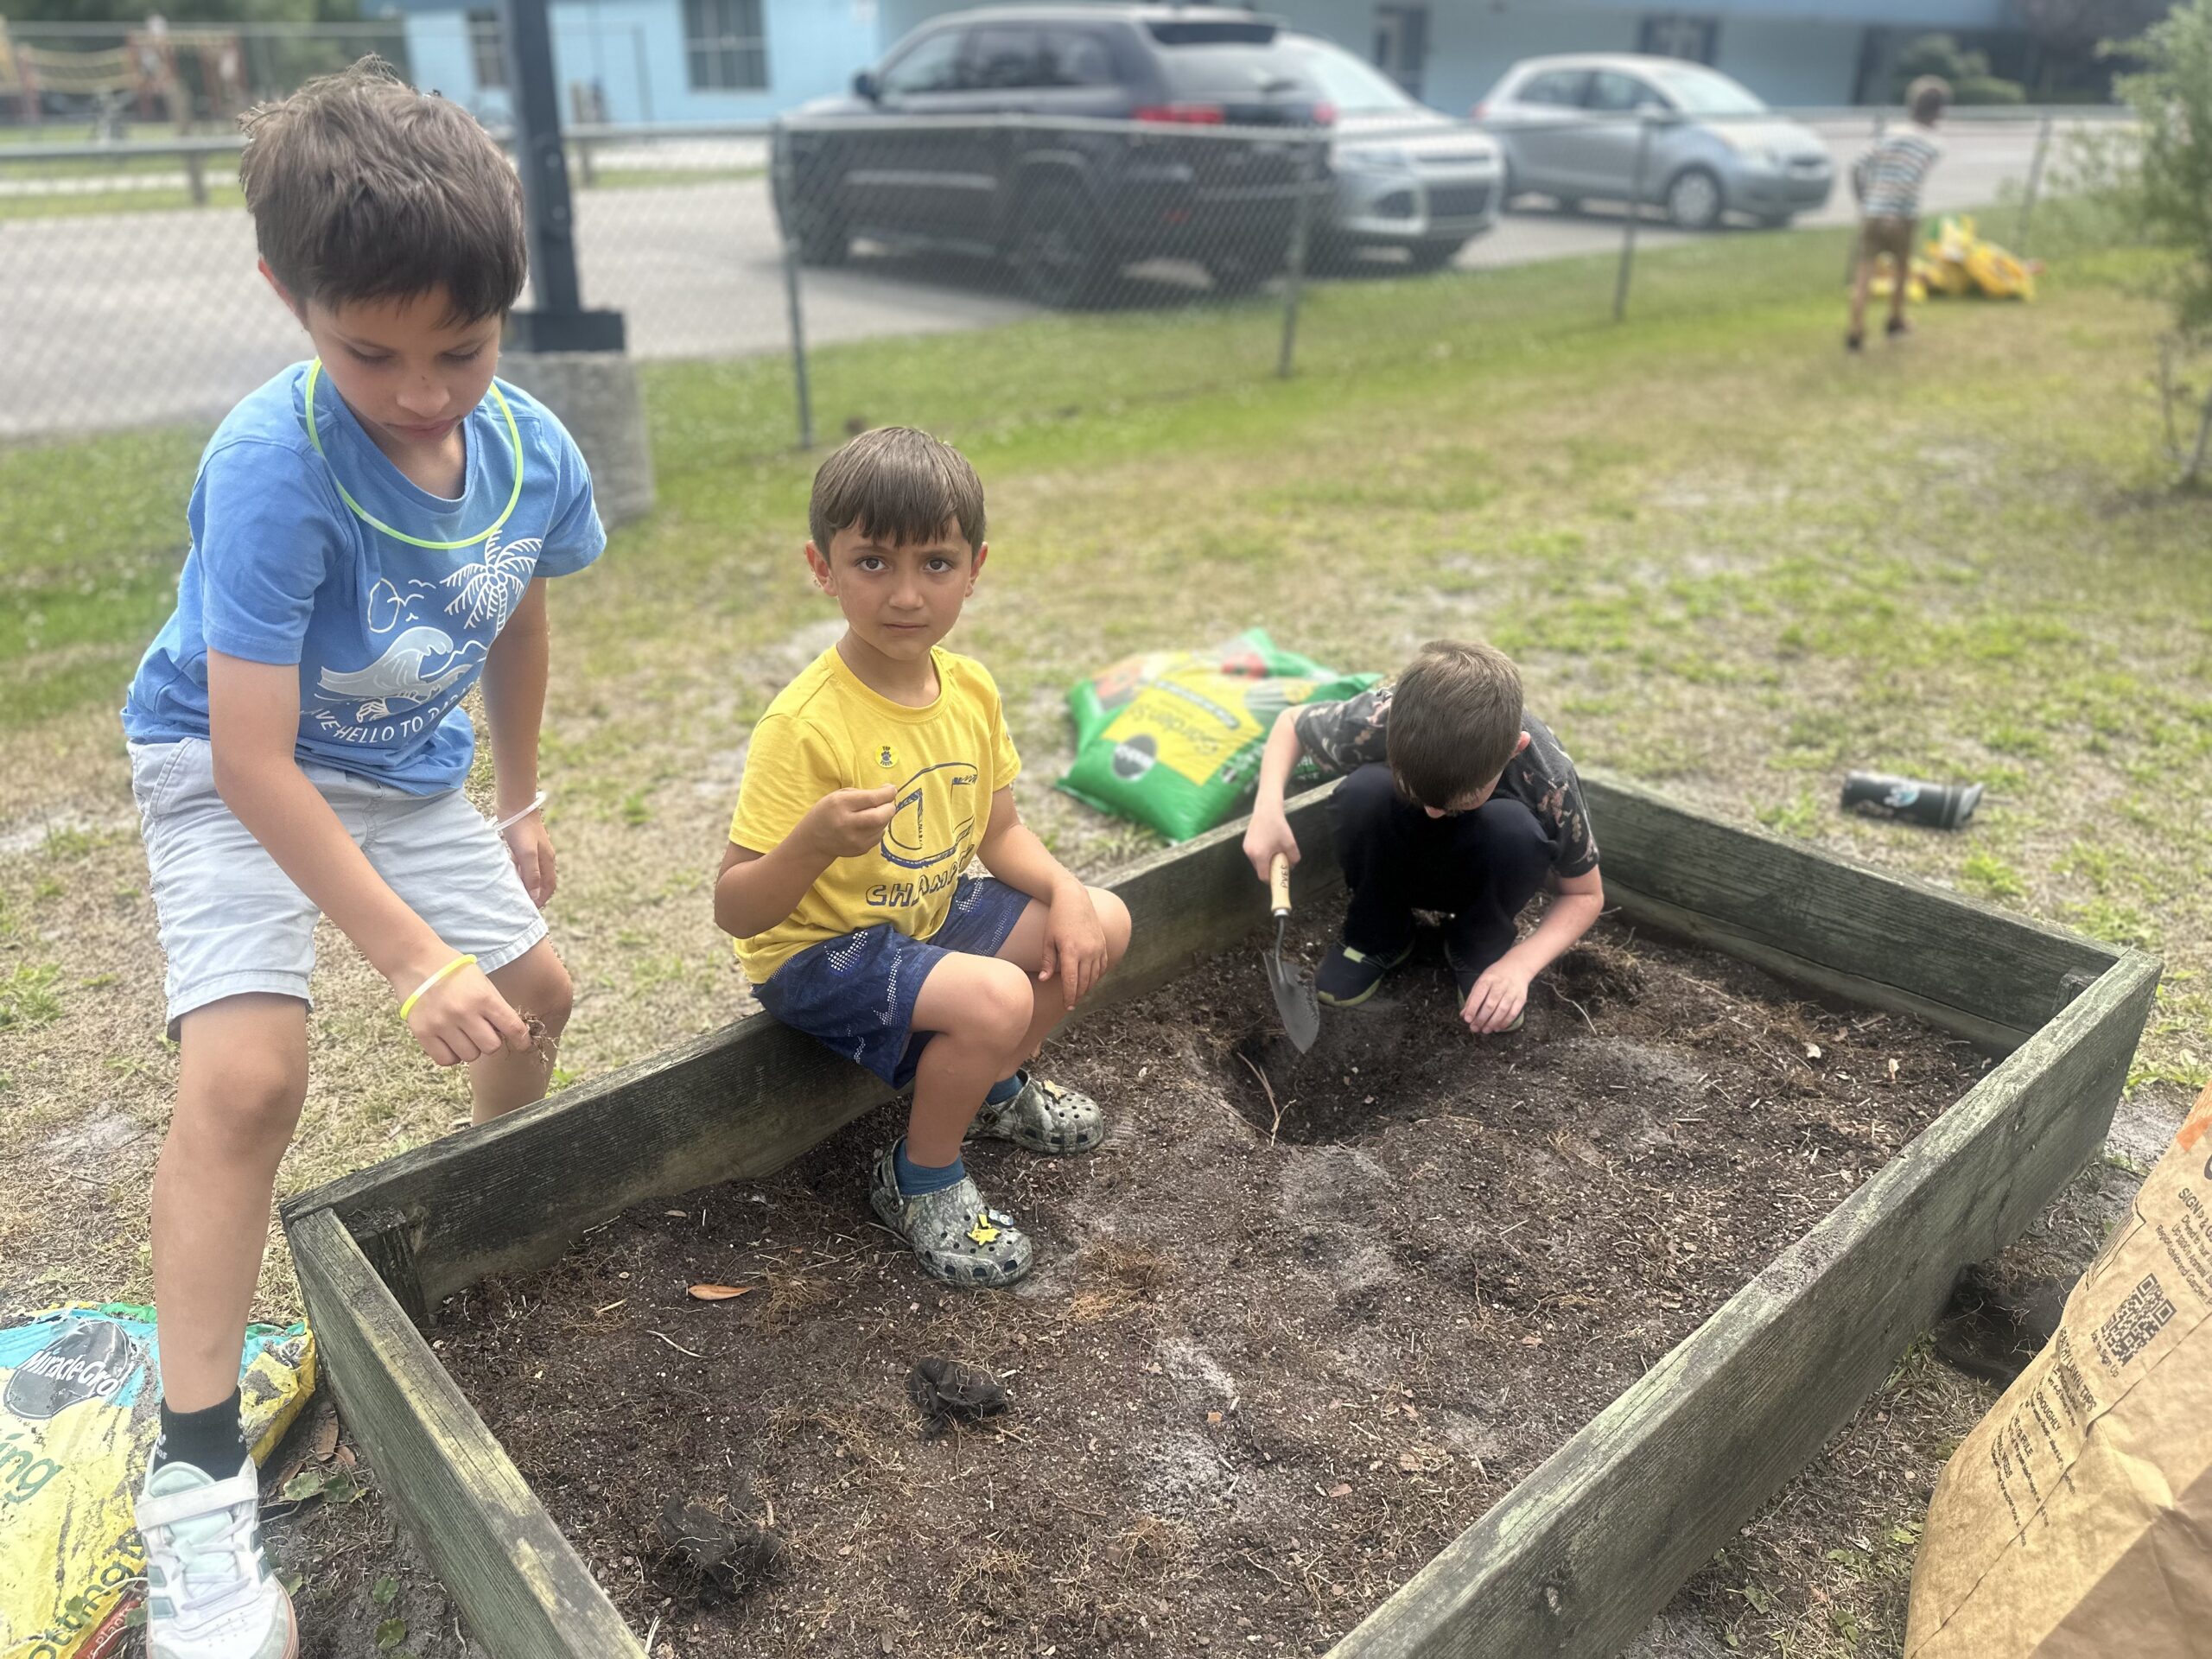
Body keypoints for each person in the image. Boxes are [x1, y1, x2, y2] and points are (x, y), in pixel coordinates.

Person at [118, 58, 603, 1659]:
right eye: (371, 353)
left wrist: (519, 798)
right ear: (289, 296)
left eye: (461, 348)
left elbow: (514, 611)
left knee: (540, 997)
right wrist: (409, 956)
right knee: (251, 1079)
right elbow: (253, 761)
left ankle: (465, 1230)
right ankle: (195, 1478)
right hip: (228, 765)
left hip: (401, 771)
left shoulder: (529, 451)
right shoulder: (272, 467)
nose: (423, 393)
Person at [716, 427, 1132, 1290]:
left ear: (975, 568)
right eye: (872, 563)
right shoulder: (804, 724)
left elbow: (999, 833)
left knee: (1105, 918)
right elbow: (737, 910)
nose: (906, 595)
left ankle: (993, 1089)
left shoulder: (969, 689)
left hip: (922, 917)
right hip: (819, 953)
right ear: (823, 567)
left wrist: (1068, 890)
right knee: (997, 996)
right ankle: (920, 1178)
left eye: (935, 564)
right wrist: (812, 842)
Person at [1242, 639, 1603, 1034]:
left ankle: (1478, 945)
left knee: (1515, 830)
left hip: (1486, 870)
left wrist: (1520, 965)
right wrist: (1267, 809)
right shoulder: (1387, 714)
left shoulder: (1550, 780)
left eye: (1460, 800)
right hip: (1397, 859)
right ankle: (1379, 932)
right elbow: (1291, 724)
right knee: (1363, 792)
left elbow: (1585, 895)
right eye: (1417, 792)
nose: (1433, 812)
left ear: (1515, 749)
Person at [1848, 75, 1949, 353]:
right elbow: (1909, 178)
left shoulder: (1889, 134)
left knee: (1865, 269)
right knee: (1901, 268)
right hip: (1901, 215)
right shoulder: (1931, 145)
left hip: (1872, 211)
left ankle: (1856, 329)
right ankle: (1895, 319)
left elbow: (1857, 165)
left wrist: (1864, 200)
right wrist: (1894, 211)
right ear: (1938, 111)